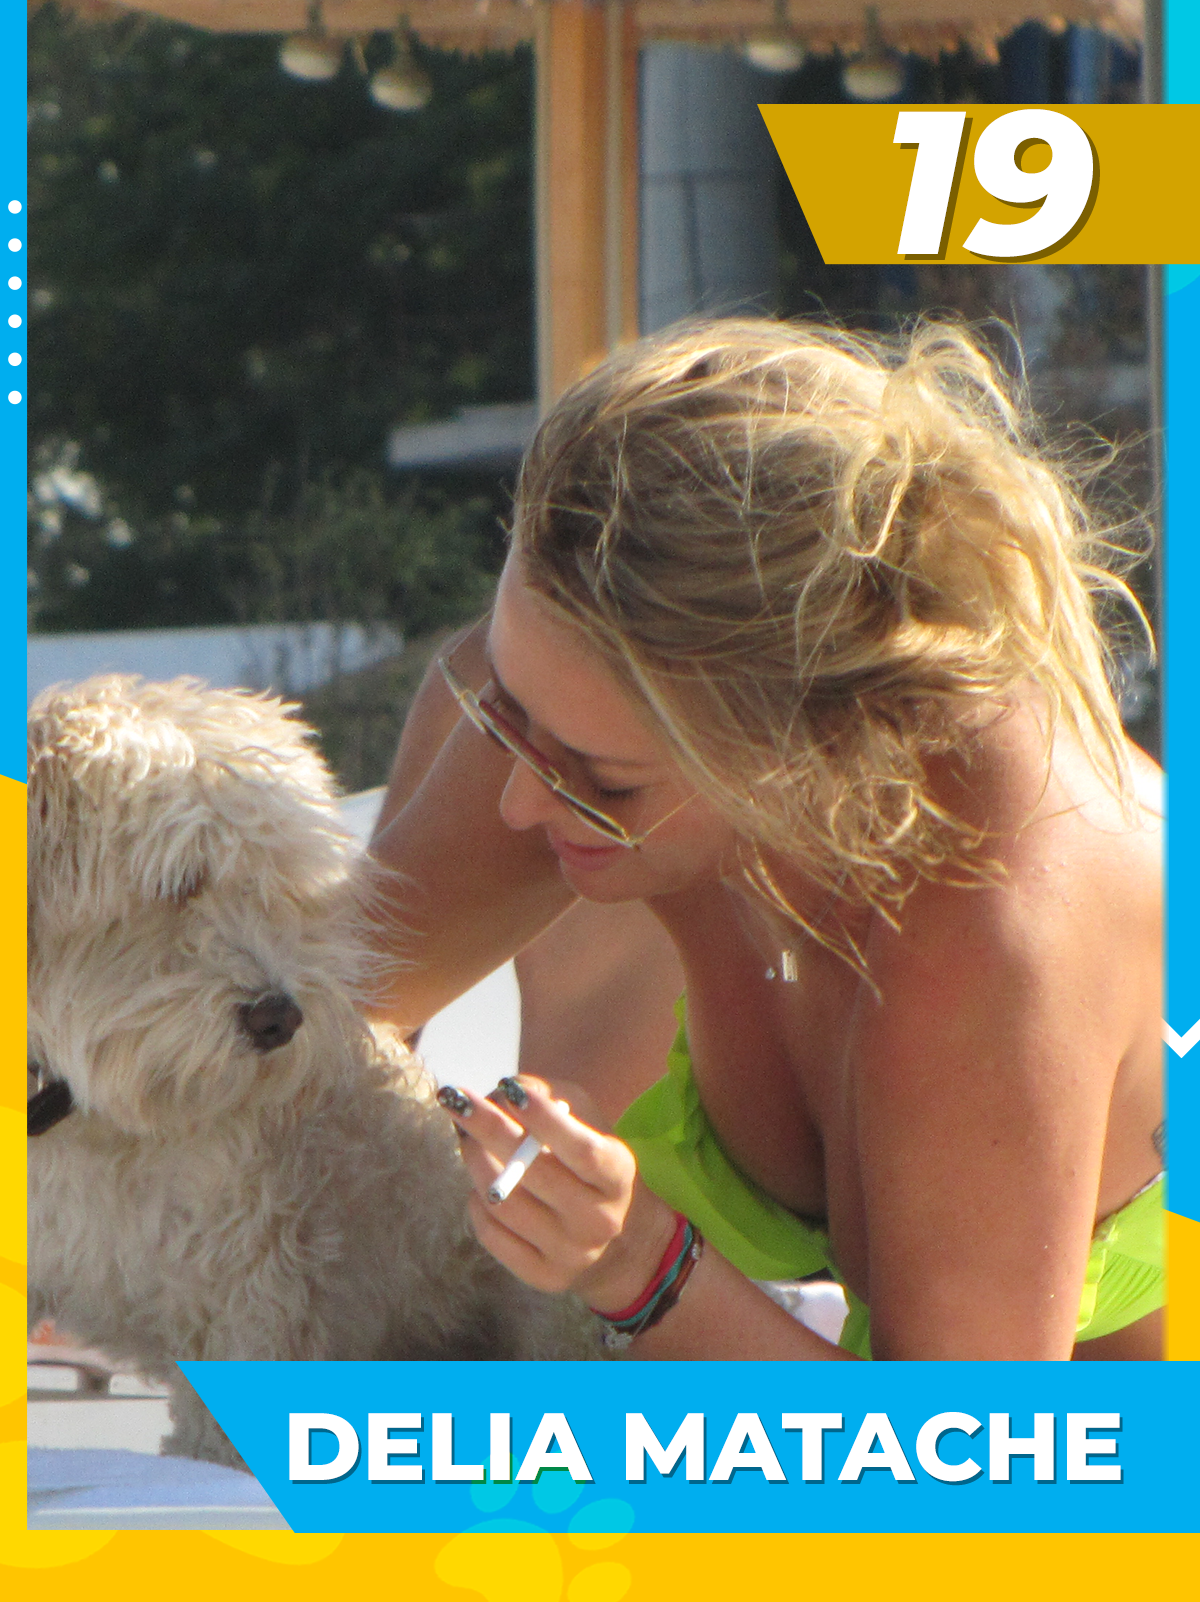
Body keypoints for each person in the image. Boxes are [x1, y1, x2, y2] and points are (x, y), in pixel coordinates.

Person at [369, 317, 1162, 1361]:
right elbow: (291, 1039)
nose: (517, 800)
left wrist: (638, 1266)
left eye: (606, 781)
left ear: (801, 751)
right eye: (506, 714)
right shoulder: (571, 682)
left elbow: (961, 1457)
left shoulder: (1003, 933)